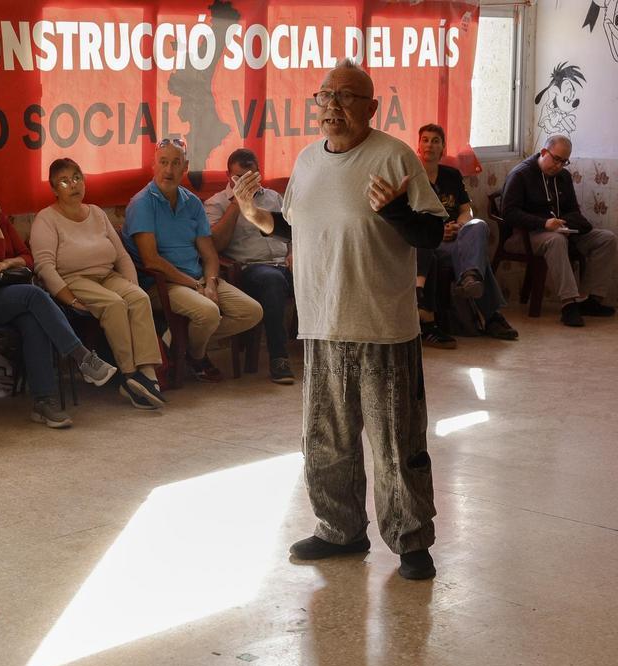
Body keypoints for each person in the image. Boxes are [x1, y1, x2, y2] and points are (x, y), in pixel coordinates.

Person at [232, 60, 443, 580]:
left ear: (371, 107)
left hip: (383, 326)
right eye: (325, 96)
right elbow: (297, 227)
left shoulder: (393, 156)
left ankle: (411, 540)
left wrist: (395, 211)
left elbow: (433, 235)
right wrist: (255, 215)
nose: (333, 106)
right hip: (321, 324)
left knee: (396, 443)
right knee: (326, 439)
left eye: (346, 97)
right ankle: (339, 530)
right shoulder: (306, 162)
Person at [0, 159, 119, 428]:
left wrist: (8, 263)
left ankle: (43, 402)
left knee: (32, 318)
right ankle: (82, 357)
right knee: (33, 296)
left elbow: (27, 258)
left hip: (5, 293)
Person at [122, 138, 263, 383]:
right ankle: (197, 356)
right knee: (208, 312)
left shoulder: (192, 203)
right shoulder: (142, 203)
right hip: (163, 284)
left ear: (185, 167)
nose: (169, 170)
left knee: (251, 312)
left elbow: (209, 253)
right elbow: (151, 260)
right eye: (163, 162)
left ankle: (181, 345)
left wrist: (210, 283)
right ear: (153, 166)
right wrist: (195, 286)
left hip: (197, 278)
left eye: (176, 163)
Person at [31, 158, 167, 410]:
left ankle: (148, 376)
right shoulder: (46, 219)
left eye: (77, 177)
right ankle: (129, 376)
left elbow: (123, 256)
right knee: (114, 304)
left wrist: (132, 285)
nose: (73, 184)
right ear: (53, 189)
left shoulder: (96, 213)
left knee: (139, 298)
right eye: (64, 181)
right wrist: (70, 299)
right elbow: (45, 268)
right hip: (74, 279)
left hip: (107, 276)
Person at [500, 134, 617, 327]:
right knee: (555, 240)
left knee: (607, 238)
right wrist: (544, 223)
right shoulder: (520, 174)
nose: (559, 166)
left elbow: (573, 209)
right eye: (556, 159)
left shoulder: (563, 177)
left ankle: (590, 300)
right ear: (544, 152)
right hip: (525, 237)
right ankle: (569, 304)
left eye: (564, 161)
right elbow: (509, 213)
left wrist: (568, 224)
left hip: (563, 231)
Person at [415, 123, 518, 341]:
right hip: (430, 242)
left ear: (443, 147)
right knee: (477, 259)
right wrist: (437, 231)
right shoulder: (411, 177)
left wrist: (460, 225)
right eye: (425, 140)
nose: (430, 145)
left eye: (435, 141)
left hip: (457, 237)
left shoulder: (451, 175)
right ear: (418, 145)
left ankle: (470, 278)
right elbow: (408, 219)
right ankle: (492, 316)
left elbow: (465, 210)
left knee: (479, 225)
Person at [205, 148, 296, 384]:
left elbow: (294, 232)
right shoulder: (217, 204)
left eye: (250, 178)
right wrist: (237, 203)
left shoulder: (274, 198)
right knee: (272, 280)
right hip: (251, 269)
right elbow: (214, 244)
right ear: (228, 177)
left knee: (320, 274)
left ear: (260, 174)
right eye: (239, 178)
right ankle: (279, 358)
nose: (246, 183)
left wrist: (293, 252)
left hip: (284, 264)